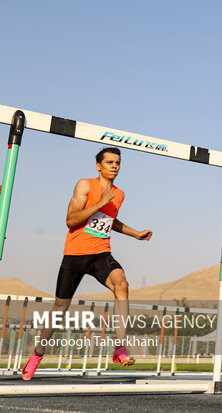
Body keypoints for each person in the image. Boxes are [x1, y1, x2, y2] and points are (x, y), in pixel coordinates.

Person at [21, 147, 152, 380]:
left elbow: (110, 220)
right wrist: (100, 202)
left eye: (118, 163)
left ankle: (119, 348)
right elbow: (71, 220)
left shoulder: (119, 194)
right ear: (98, 166)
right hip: (75, 255)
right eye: (109, 162)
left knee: (122, 284)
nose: (114, 166)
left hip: (101, 253)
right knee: (59, 309)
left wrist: (135, 233)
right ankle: (37, 355)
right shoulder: (85, 185)